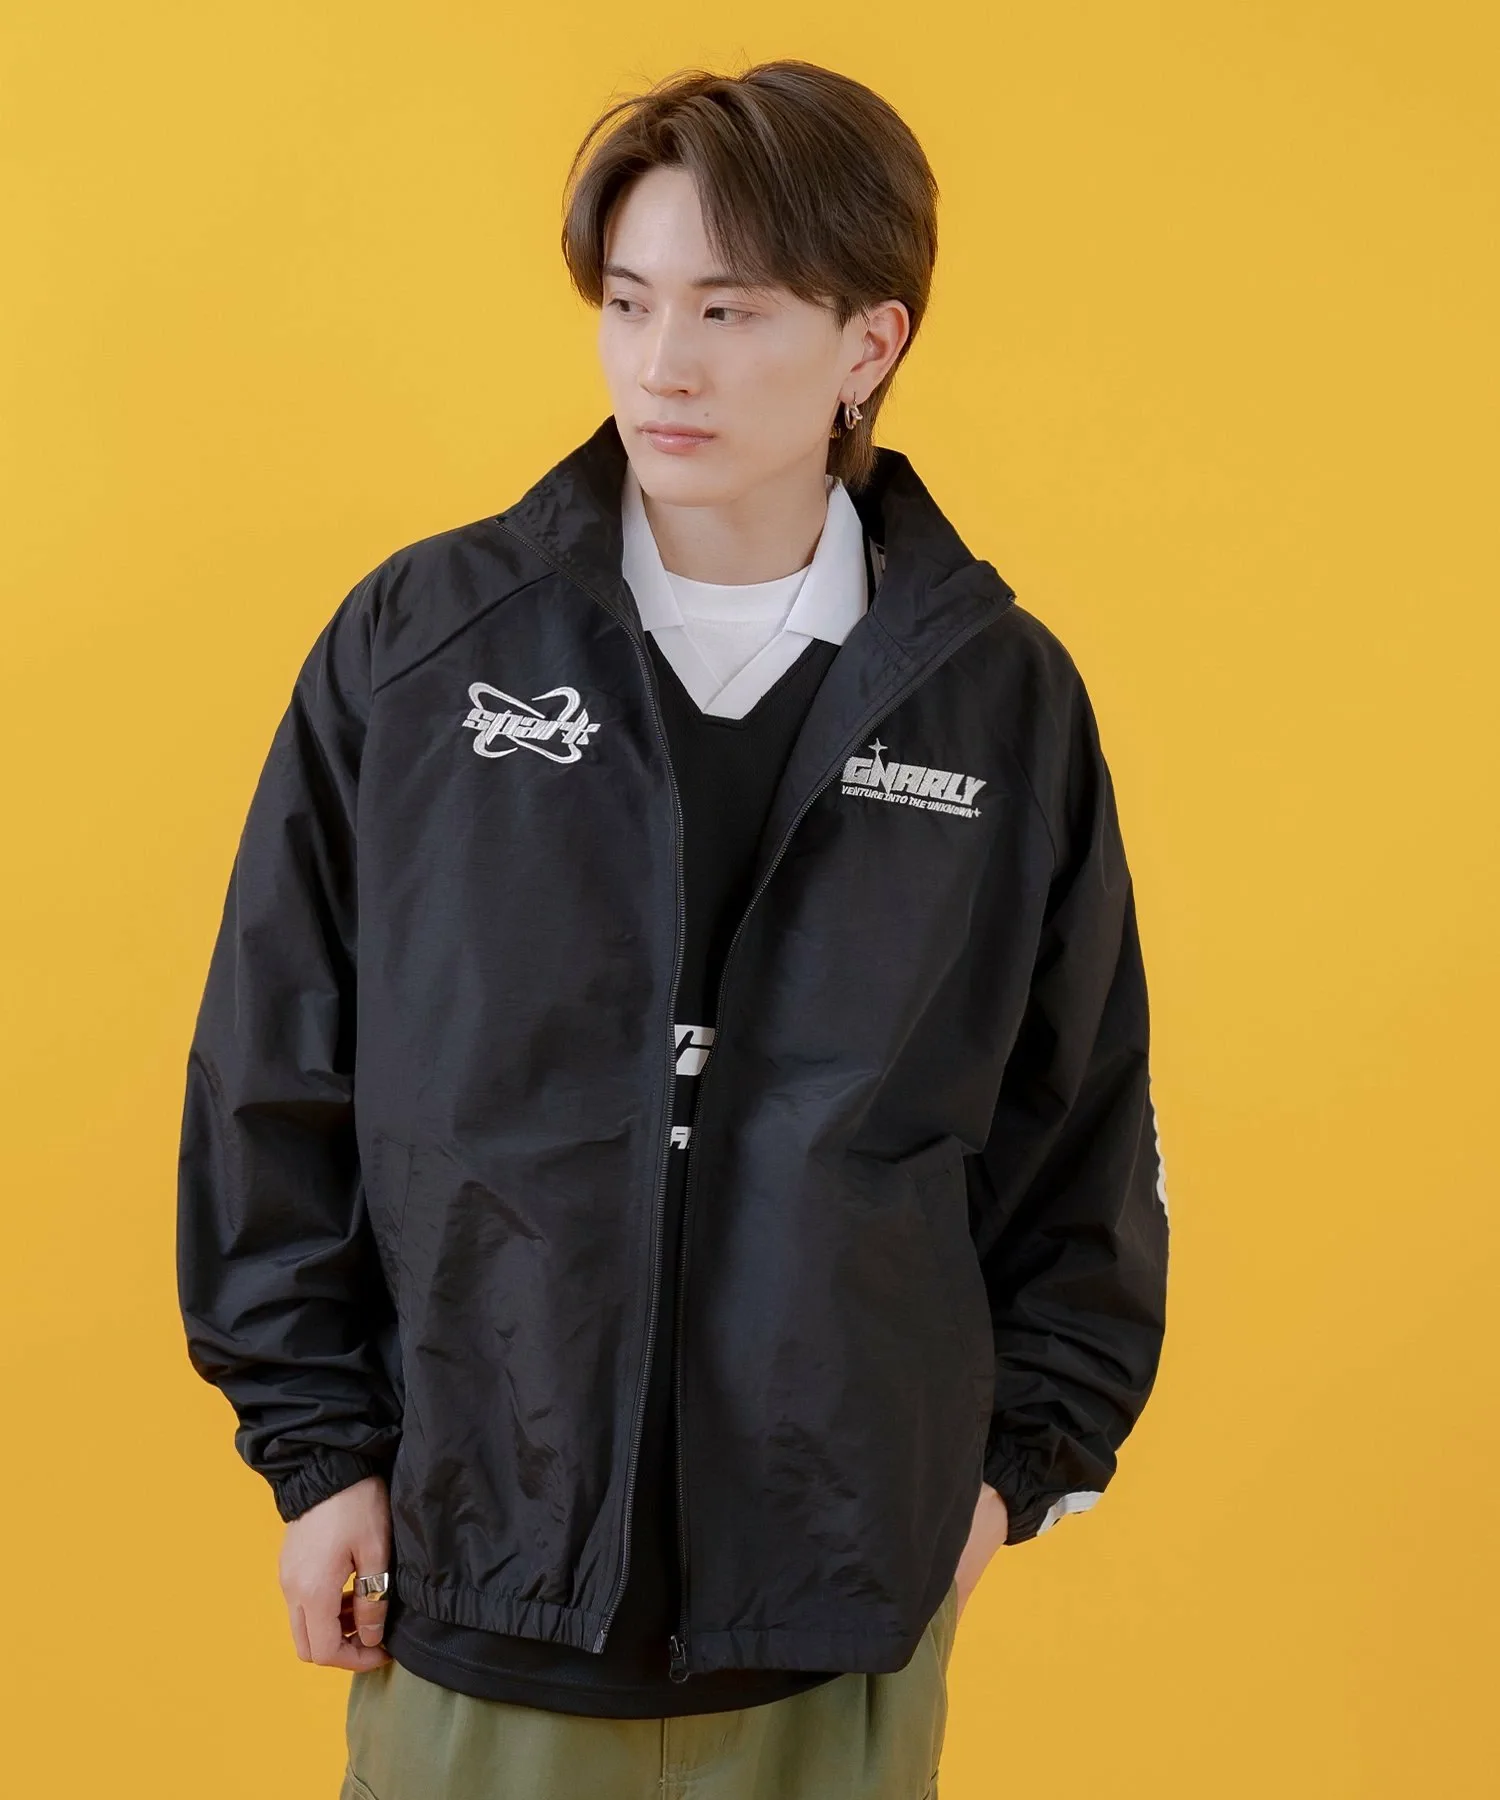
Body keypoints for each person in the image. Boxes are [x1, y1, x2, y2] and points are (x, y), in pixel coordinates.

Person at [176, 57, 1170, 1800]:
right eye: (629, 303)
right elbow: (276, 1066)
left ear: (869, 342)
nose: (663, 365)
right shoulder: (425, 648)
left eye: (730, 308)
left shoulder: (998, 703)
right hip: (475, 1582)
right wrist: (317, 1454)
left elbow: (1077, 1120)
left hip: (838, 1615)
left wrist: (1012, 1468)